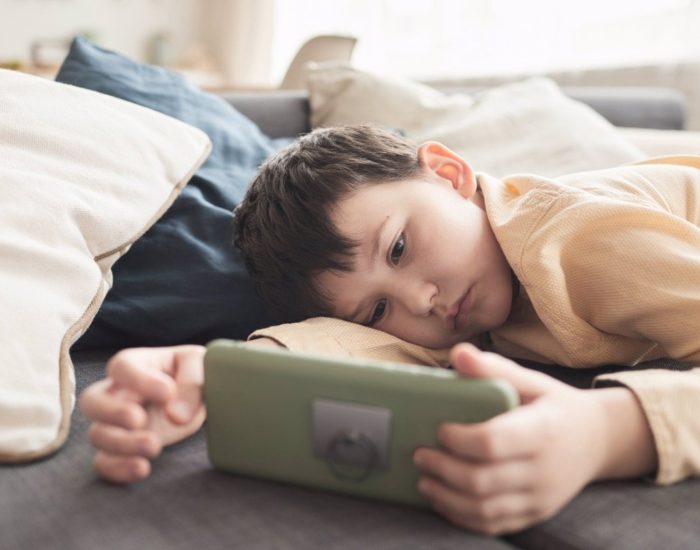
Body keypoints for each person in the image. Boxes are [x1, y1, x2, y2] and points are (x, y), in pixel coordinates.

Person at [80, 125, 700, 536]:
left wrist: (612, 431)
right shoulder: (455, 297)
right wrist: (219, 378)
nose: (421, 301)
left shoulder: (583, 245)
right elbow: (366, 343)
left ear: (449, 174)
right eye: (377, 307)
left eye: (399, 247)